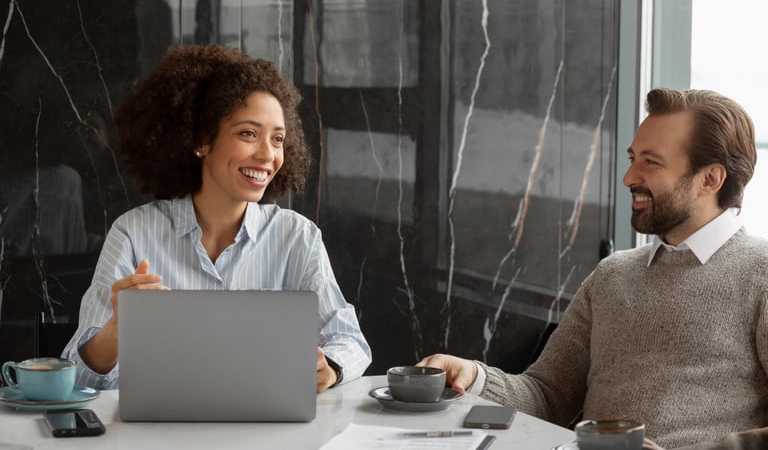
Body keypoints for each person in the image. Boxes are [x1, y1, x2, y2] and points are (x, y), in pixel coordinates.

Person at [418, 88, 768, 448]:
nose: (629, 177)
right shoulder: (613, 274)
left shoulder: (762, 274)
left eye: (651, 162)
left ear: (710, 179)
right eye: (632, 158)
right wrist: (474, 376)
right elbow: (546, 396)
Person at [61, 44, 372, 393]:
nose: (268, 154)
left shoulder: (297, 237)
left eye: (278, 138)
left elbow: (349, 341)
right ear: (202, 140)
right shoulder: (134, 233)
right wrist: (118, 329)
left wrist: (328, 368)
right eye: (248, 133)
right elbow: (76, 377)